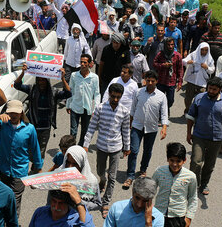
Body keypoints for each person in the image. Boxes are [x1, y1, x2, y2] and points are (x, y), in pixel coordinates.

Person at [0, 100, 43, 217]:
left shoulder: (29, 129)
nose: (13, 115)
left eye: (16, 112)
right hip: (4, 170)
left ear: (21, 113)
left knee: (14, 202)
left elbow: (35, 149)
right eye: (11, 113)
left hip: (20, 172)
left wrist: (38, 169)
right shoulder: (2, 124)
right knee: (3, 198)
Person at [82, 83, 131, 218]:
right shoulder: (100, 108)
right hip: (101, 146)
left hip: (116, 147)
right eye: (113, 96)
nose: (115, 100)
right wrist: (86, 144)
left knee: (113, 177)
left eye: (118, 97)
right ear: (109, 94)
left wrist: (127, 147)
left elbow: (126, 130)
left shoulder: (124, 111)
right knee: (100, 171)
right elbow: (92, 127)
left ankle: (105, 202)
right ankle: (102, 180)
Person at [186, 77, 222, 196]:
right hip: (199, 136)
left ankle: (204, 184)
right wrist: (189, 133)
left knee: (209, 165)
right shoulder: (199, 98)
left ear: (219, 90)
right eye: (209, 88)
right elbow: (190, 117)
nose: (211, 91)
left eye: (214, 89)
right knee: (196, 162)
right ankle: (193, 184)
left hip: (217, 139)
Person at [13, 64, 71, 159]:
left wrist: (63, 79)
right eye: (39, 80)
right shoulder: (32, 89)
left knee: (40, 153)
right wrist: (23, 72)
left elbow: (68, 93)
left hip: (45, 128)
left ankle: (36, 170)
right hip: (31, 127)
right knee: (29, 151)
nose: (41, 82)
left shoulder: (54, 92)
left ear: (47, 81)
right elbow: (17, 85)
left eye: (43, 80)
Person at [123, 70, 168, 189]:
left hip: (152, 128)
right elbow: (132, 109)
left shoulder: (161, 96)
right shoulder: (138, 92)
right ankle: (130, 175)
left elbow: (164, 114)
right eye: (148, 80)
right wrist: (129, 124)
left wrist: (164, 128)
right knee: (134, 150)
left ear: (156, 81)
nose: (150, 83)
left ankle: (143, 170)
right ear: (145, 80)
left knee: (147, 151)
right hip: (137, 126)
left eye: (152, 81)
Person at [96, 177, 165, 227]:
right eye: (137, 198)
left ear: (151, 200)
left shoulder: (158, 217)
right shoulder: (117, 208)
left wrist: (148, 223)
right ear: (132, 192)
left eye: (145, 201)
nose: (139, 204)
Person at [152, 142, 198, 227]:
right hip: (158, 216)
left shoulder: (190, 177)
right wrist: (148, 213)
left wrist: (189, 218)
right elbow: (150, 192)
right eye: (172, 160)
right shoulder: (159, 171)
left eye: (178, 161)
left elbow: (192, 198)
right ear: (168, 159)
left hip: (177, 219)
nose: (174, 164)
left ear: (184, 160)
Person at [25, 184, 97, 227]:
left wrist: (78, 201)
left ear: (68, 204)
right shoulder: (40, 212)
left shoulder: (76, 219)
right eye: (54, 201)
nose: (56, 207)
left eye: (61, 203)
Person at [67, 54, 100, 145]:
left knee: (84, 131)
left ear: (89, 64)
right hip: (75, 107)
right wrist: (68, 105)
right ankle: (71, 149)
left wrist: (95, 108)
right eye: (81, 62)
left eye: (85, 62)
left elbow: (97, 94)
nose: (82, 64)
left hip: (87, 109)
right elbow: (70, 91)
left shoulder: (94, 78)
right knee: (73, 131)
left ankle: (80, 148)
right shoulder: (74, 75)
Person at [60, 145, 102, 211]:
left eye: (75, 164)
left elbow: (97, 204)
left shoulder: (91, 182)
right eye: (68, 162)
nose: (70, 167)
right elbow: (50, 203)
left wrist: (79, 202)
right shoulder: (58, 176)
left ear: (82, 164)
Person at [182, 42, 215, 114]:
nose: (204, 52)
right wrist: (188, 62)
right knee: (188, 98)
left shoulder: (209, 58)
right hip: (192, 80)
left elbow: (212, 70)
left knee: (201, 99)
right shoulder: (194, 55)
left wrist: (207, 68)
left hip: (202, 82)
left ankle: (197, 113)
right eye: (202, 50)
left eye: (206, 50)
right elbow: (183, 61)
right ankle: (187, 110)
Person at [154, 37, 184, 113]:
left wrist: (180, 82)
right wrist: (163, 65)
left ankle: (166, 109)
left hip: (171, 82)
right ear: (165, 45)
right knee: (159, 99)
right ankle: (162, 113)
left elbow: (180, 69)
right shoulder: (160, 54)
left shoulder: (177, 56)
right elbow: (154, 64)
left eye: (172, 45)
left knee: (170, 100)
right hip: (161, 81)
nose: (170, 46)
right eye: (168, 45)